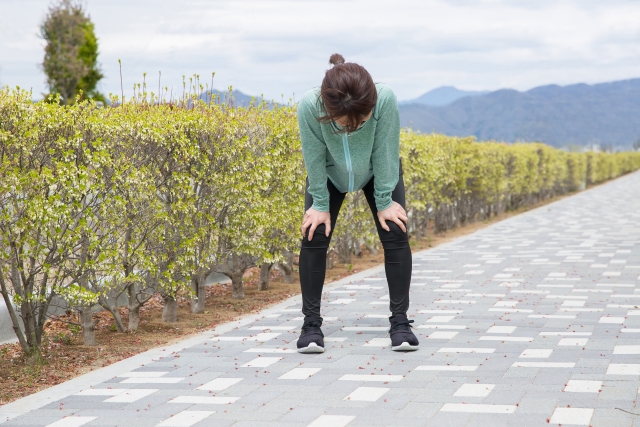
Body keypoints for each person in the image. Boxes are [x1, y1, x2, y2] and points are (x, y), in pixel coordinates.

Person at [296, 53, 419, 353]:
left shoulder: (384, 99)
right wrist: (320, 204)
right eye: (343, 124)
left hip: (379, 172)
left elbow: (386, 151)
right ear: (327, 110)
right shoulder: (310, 106)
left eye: (359, 122)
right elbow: (313, 157)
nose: (351, 128)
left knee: (396, 231)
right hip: (329, 174)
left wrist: (385, 200)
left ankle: (400, 324)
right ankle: (311, 325)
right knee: (314, 235)